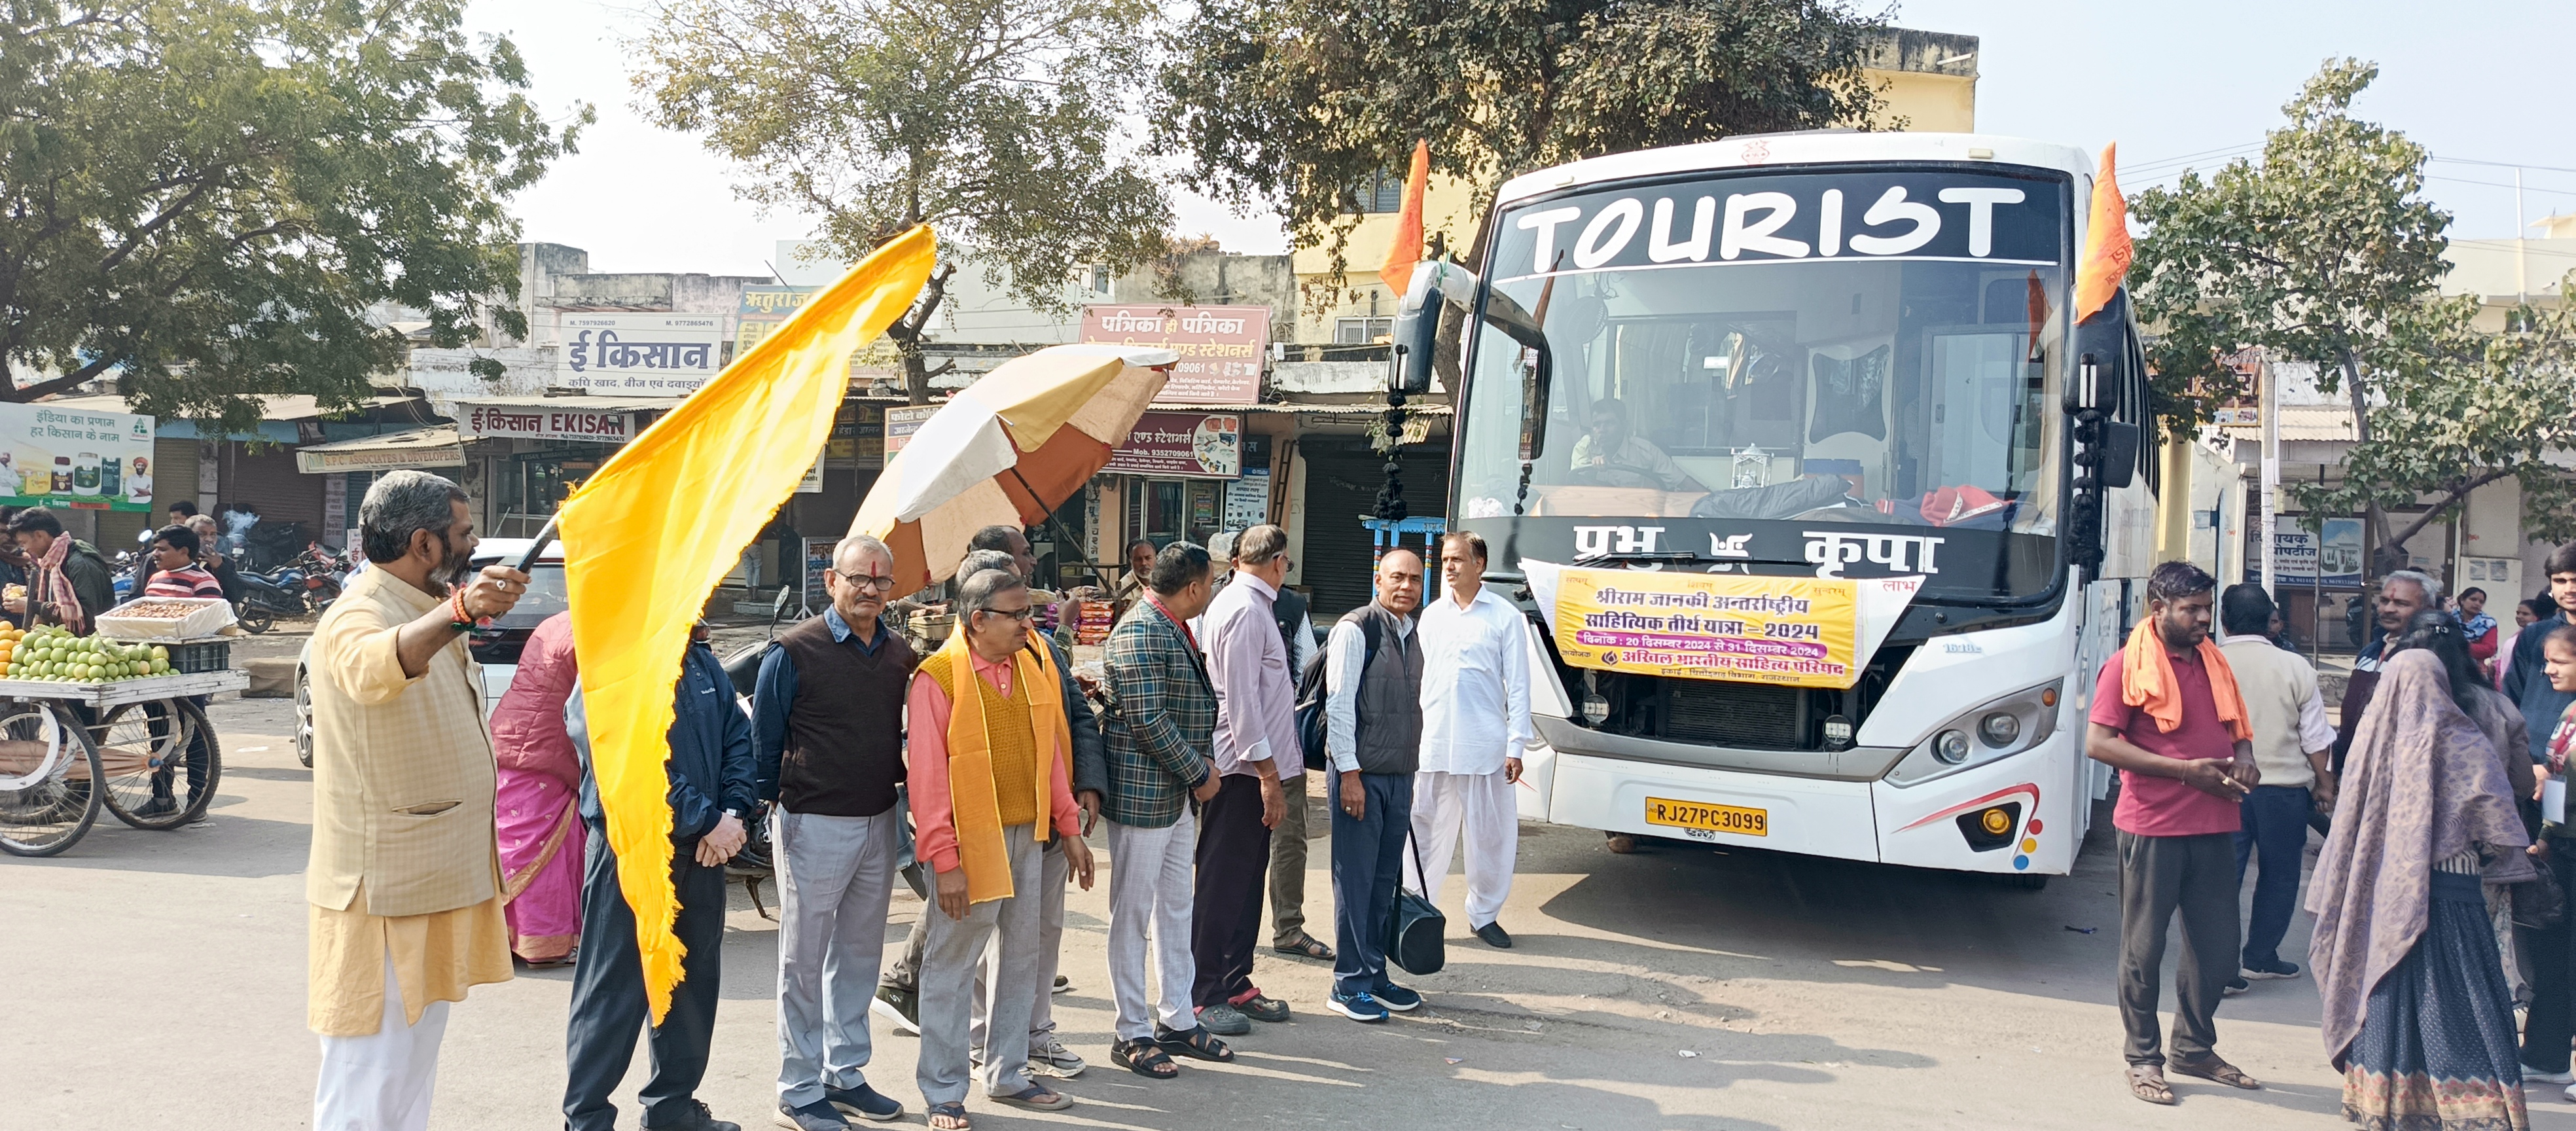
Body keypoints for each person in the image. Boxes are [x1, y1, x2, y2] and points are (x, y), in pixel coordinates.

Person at [304, 471, 528, 1130]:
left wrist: (458, 611)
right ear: (425, 543)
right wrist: (460, 613)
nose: (474, 543)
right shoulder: (359, 612)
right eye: (463, 534)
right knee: (367, 1077)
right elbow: (374, 665)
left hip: (429, 879)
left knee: (407, 1073)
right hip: (383, 891)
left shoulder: (417, 604)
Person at [874, 545, 1104, 1084]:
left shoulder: (1027, 665)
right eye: (1019, 614)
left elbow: (1047, 754)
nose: (1031, 623)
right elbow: (927, 784)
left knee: (1021, 961)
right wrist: (945, 861)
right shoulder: (939, 679)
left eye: (1030, 612)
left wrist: (1068, 828)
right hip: (970, 840)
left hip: (1031, 835)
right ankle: (944, 1088)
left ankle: (1007, 1073)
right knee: (952, 967)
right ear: (978, 620)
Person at [2307, 647, 2533, 1130]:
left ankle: (2386, 1103)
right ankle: (2475, 1109)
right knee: (2462, 994)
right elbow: (2497, 816)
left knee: (2384, 984)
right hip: (2454, 888)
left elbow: (2348, 825)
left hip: (2382, 892)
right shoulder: (2464, 738)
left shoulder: (2371, 743)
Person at [562, 619, 755, 1131]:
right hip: (634, 852)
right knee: (613, 992)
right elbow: (626, 765)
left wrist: (734, 811)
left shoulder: (700, 658)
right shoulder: (614, 665)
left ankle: (673, 1108)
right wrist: (707, 819)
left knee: (690, 987)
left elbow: (738, 735)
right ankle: (587, 1119)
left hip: (701, 852)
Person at [755, 533, 918, 1130]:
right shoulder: (793, 651)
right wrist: (769, 813)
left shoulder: (899, 653)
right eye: (858, 579)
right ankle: (798, 1087)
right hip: (812, 822)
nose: (869, 591)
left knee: (858, 954)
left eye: (881, 582)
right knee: (802, 959)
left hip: (879, 819)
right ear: (832, 582)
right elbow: (764, 745)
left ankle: (844, 1073)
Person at [2084, 561, 2261, 1105]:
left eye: (2208, 608)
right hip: (2153, 826)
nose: (2205, 619)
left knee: (2219, 952)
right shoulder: (2124, 667)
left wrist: (2246, 759)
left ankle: (2194, 1047)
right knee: (2144, 948)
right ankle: (2143, 1058)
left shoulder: (2215, 663)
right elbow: (2099, 743)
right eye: (2193, 609)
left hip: (2214, 822)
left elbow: (2238, 729)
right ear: (2158, 610)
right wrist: (2185, 771)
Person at [1098, 541, 1233, 1077]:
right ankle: (1130, 1031)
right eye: (1211, 583)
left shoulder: (1173, 626)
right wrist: (1200, 773)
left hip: (1173, 795)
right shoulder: (1139, 630)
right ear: (1194, 586)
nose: (1212, 591)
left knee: (1176, 908)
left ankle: (1176, 1018)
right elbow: (1147, 718)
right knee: (1131, 917)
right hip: (1143, 795)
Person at [1194, 523, 1300, 1033]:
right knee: (1222, 882)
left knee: (1244, 881)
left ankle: (1235, 979)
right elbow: (1241, 703)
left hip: (1253, 769)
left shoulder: (1253, 606)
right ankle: (1205, 989)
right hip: (1240, 771)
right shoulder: (1242, 609)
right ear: (1279, 561)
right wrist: (1268, 775)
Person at [1408, 531, 1535, 950]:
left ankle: (1484, 916)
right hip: (1434, 743)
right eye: (1445, 559)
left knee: (1490, 836)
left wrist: (1516, 746)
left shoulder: (1505, 617)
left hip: (1485, 746)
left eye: (1458, 559)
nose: (1448, 567)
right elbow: (1417, 682)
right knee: (1424, 831)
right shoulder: (1431, 616)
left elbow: (1518, 687)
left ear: (1479, 565)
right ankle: (1414, 910)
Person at [1321, 549, 1428, 1022]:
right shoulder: (1355, 629)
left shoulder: (1410, 631)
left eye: (1415, 580)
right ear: (1378, 579)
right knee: (1357, 880)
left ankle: (1374, 971)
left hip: (1399, 775)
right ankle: (1348, 983)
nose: (1406, 586)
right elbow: (1340, 704)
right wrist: (1349, 774)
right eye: (1398, 578)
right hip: (1359, 777)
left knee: (1385, 881)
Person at [2215, 584, 2336, 991]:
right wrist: (2324, 784)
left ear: (2223, 620)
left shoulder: (2208, 661)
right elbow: (2316, 738)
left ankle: (2220, 968)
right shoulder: (2295, 667)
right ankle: (2260, 957)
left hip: (2221, 786)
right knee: (2280, 876)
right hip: (2283, 791)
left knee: (2221, 878)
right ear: (2271, 619)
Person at [488, 612, 586, 966]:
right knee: (546, 849)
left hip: (510, 735)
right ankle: (541, 943)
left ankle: (499, 939)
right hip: (547, 748)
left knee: (510, 843)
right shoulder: (592, 632)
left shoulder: (556, 622)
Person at [2518, 624, 2576, 1090]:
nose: (2548, 670)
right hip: (2565, 851)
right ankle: (2546, 1055)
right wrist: (2547, 837)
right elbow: (2556, 784)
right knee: (2555, 957)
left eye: (2559, 662)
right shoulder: (2569, 714)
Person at [2335, 570, 2442, 774]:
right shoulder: (2370, 652)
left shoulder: (2429, 658)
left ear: (2427, 610)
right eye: (2384, 601)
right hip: (2357, 768)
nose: (2388, 609)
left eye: (2401, 604)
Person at [2503, 545, 2576, 768]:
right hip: (2532, 757)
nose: (2570, 589)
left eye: (2575, 580)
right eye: (2560, 581)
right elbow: (2512, 695)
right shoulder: (2534, 634)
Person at [4, 507, 116, 634]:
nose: (24, 549)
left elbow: (86, 616)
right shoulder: (52, 562)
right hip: (61, 642)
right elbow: (54, 597)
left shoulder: (81, 564)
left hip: (86, 645)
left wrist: (32, 606)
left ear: (40, 535)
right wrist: (25, 592)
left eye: (24, 543)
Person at [1564, 398, 1696, 492]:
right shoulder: (1584, 448)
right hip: (1592, 520)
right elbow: (1577, 489)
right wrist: (1592, 470)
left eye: (1610, 423)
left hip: (1637, 520)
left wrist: (1714, 503)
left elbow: (1685, 484)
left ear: (1625, 426)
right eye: (1597, 425)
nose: (1602, 430)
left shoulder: (1647, 451)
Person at [141, 524, 226, 599]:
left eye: (162, 550)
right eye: (156, 549)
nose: (155, 553)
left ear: (184, 551)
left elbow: (207, 615)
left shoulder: (205, 582)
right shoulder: (155, 578)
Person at [2495, 596, 2552, 691]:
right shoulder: (2518, 635)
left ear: (2537, 616)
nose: (2519, 616)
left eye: (2525, 614)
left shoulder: (2537, 638)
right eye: (2518, 613)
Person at [187, 513, 245, 604]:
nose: (209, 539)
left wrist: (219, 567)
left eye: (213, 535)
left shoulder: (224, 561)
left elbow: (237, 596)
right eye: (202, 534)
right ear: (188, 535)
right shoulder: (179, 559)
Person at [2459, 586, 2499, 675]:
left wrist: (2461, 646)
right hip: (2448, 667)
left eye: (2481, 602)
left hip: (2475, 672)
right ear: (2462, 600)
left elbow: (2489, 650)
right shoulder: (2450, 619)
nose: (2477, 604)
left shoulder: (2488, 623)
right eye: (2473, 599)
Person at [1110, 538, 1156, 602]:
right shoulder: (1124, 586)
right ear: (1131, 562)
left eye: (1148, 558)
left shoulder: (1165, 580)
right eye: (1138, 559)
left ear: (1156, 558)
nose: (1144, 563)